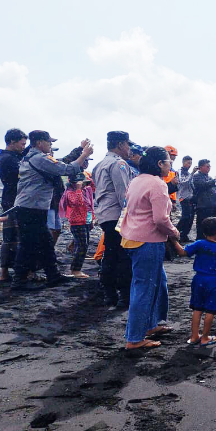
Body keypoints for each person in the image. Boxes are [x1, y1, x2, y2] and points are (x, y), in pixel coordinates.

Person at [12, 131, 93, 291]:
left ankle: (53, 275)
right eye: (48, 142)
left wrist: (79, 150)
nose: (50, 145)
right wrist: (83, 155)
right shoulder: (39, 158)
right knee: (28, 245)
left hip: (32, 207)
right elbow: (67, 169)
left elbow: (60, 163)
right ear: (39, 143)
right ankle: (19, 281)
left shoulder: (33, 157)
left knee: (46, 242)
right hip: (30, 208)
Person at [120, 146, 180, 350]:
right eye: (168, 162)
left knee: (157, 282)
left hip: (133, 238)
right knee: (144, 288)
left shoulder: (137, 179)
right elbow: (160, 219)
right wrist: (174, 232)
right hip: (148, 241)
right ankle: (135, 338)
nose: (170, 165)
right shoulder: (158, 184)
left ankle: (150, 324)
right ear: (159, 164)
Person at [173, 217, 216, 347]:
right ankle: (205, 337)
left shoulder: (199, 244)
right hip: (214, 281)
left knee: (197, 309)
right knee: (210, 310)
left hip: (198, 279)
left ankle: (194, 336)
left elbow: (182, 252)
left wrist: (173, 239)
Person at [93, 131, 135, 307]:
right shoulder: (119, 164)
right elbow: (124, 194)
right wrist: (130, 217)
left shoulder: (99, 164)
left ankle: (108, 293)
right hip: (118, 215)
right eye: (127, 145)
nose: (129, 148)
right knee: (123, 256)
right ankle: (124, 296)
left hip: (105, 214)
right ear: (120, 145)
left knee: (110, 253)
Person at [0, 128, 27, 282]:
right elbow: (24, 170)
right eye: (22, 144)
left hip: (11, 199)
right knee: (13, 237)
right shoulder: (7, 158)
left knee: (11, 237)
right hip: (13, 201)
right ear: (12, 142)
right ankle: (5, 273)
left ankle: (5, 273)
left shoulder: (11, 156)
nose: (24, 146)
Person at [59, 172, 95, 278]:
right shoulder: (70, 193)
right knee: (82, 246)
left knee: (84, 244)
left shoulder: (85, 190)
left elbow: (93, 188)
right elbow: (77, 203)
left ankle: (75, 266)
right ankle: (75, 270)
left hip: (85, 220)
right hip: (77, 222)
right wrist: (78, 189)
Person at [191, 159, 216, 240]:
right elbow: (202, 186)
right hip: (203, 207)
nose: (209, 168)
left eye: (209, 166)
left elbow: (215, 193)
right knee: (202, 227)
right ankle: (200, 244)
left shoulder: (209, 177)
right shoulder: (197, 176)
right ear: (201, 167)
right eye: (207, 166)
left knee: (211, 228)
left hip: (212, 207)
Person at [176, 155, 195, 242]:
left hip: (190, 197)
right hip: (183, 197)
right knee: (185, 217)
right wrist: (192, 174)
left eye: (190, 163)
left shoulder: (188, 173)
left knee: (190, 218)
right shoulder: (180, 172)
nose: (189, 165)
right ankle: (176, 232)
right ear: (183, 162)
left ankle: (184, 235)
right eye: (188, 163)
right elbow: (183, 182)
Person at [164, 145, 179, 210]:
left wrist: (174, 201)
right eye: (172, 156)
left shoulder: (173, 171)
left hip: (168, 197)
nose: (173, 159)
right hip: (161, 196)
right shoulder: (159, 169)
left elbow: (173, 186)